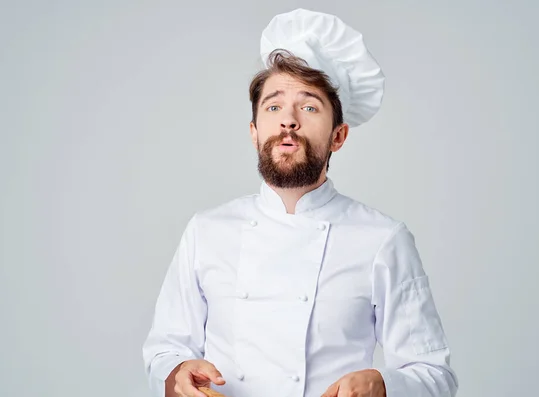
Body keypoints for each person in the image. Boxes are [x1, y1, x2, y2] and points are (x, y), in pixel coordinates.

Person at [142, 8, 458, 397]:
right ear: (255, 132)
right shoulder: (206, 231)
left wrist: (383, 385)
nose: (288, 119)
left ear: (338, 136)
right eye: (274, 106)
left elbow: (434, 375)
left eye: (309, 107)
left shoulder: (383, 239)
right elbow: (165, 350)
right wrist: (177, 375)